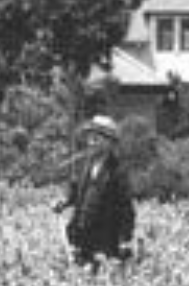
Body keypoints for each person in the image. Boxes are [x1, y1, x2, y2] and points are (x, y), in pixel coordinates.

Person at [54, 114, 135, 268]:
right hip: (82, 237)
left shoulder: (117, 171)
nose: (91, 142)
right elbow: (76, 191)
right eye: (90, 137)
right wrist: (64, 202)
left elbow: (126, 209)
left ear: (109, 142)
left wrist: (125, 240)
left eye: (97, 138)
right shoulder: (86, 165)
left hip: (106, 241)